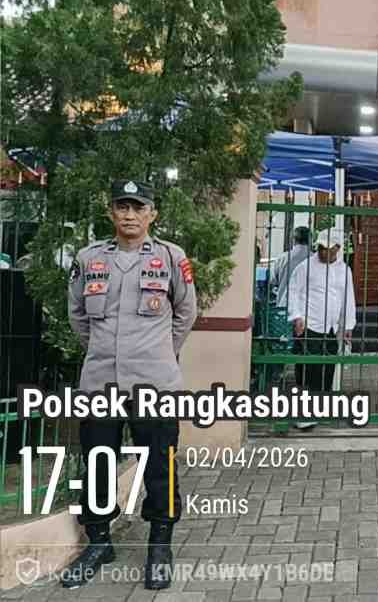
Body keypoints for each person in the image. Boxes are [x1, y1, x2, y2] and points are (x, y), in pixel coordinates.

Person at [64, 180, 198, 590]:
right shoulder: (89, 259)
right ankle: (99, 542)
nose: (129, 215)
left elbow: (185, 313)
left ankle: (160, 545)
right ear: (110, 212)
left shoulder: (171, 258)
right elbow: (78, 317)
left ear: (152, 214)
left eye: (138, 208)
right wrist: (106, 354)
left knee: (160, 465)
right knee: (98, 463)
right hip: (100, 381)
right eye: (122, 207)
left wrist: (156, 354)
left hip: (155, 383)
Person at [288, 227, 356, 429]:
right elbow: (294, 292)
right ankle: (303, 415)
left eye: (330, 249)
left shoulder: (344, 271)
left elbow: (348, 299)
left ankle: (319, 409)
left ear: (337, 249)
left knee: (326, 370)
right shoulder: (305, 267)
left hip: (331, 328)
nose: (325, 253)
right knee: (307, 371)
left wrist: (348, 325)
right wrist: (297, 317)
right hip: (309, 326)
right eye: (322, 248)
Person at [269, 226, 311, 307]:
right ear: (310, 240)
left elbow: (272, 281)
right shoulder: (315, 259)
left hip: (284, 308)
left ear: (293, 240)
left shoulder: (282, 258)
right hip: (307, 309)